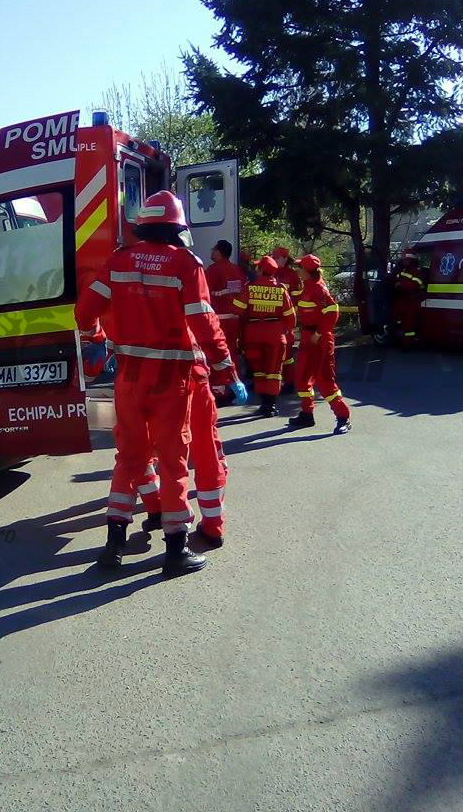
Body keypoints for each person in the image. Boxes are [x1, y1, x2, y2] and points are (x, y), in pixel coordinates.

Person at [74, 191, 247, 577]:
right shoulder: (185, 263)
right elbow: (204, 322)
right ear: (176, 227)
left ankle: (114, 545)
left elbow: (84, 311)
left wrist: (95, 337)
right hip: (172, 379)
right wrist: (227, 370)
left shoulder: (119, 261)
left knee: (129, 457)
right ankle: (175, 549)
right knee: (172, 460)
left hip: (129, 377)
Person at [138, 371, 228, 548]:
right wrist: (229, 376)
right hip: (194, 381)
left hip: (151, 384)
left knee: (149, 451)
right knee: (208, 456)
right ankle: (213, 528)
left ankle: (157, 511)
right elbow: (218, 354)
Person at [288, 254, 351, 434]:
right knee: (302, 378)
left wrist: (319, 333)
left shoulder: (319, 288)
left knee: (324, 382)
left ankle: (343, 417)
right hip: (307, 338)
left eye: (300, 268)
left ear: (308, 271)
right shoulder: (307, 286)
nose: (297, 270)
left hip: (320, 340)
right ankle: (307, 414)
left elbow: (333, 311)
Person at [239, 255, 296, 417]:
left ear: (261, 269)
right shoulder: (281, 289)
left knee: (258, 370)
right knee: (274, 371)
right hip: (275, 334)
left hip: (253, 334)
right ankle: (269, 404)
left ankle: (264, 403)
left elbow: (238, 309)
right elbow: (290, 317)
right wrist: (287, 331)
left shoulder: (249, 287)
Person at [205, 239, 249, 379]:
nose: (212, 251)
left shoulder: (213, 270)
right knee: (232, 351)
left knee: (217, 352)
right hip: (235, 319)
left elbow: (203, 291)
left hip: (219, 319)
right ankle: (234, 381)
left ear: (218, 252)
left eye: (213, 249)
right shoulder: (237, 270)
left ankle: (221, 384)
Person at [272, 246, 302, 394]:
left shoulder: (292, 275)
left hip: (286, 319)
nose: (274, 259)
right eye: (273, 257)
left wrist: (290, 316)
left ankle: (290, 382)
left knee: (287, 353)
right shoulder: (271, 273)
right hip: (273, 319)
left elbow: (297, 298)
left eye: (276, 257)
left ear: (284, 258)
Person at [390, 250, 426, 345]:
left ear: (411, 260)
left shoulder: (417, 271)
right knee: (398, 318)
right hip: (403, 299)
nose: (404, 261)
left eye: (406, 260)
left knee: (409, 323)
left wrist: (400, 285)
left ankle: (408, 343)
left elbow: (414, 284)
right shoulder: (403, 270)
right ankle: (401, 339)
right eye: (403, 260)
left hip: (413, 300)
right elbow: (396, 278)